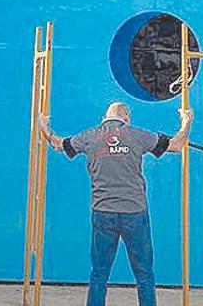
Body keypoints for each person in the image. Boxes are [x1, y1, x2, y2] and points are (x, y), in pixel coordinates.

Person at [39, 102, 193, 306]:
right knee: (144, 273)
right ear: (126, 117)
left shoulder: (89, 136)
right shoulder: (137, 135)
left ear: (105, 116)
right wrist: (186, 123)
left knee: (99, 273)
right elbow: (176, 145)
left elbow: (58, 145)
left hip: (103, 213)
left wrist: (44, 127)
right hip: (134, 213)